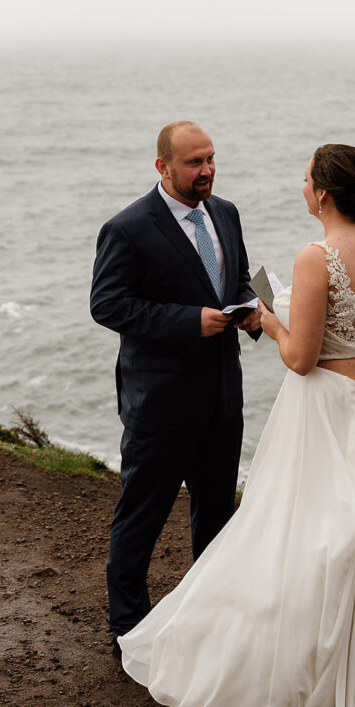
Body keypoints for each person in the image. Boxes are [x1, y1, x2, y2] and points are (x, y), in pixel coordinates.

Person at [118, 143, 355, 707]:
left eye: (304, 181)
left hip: (324, 413)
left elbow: (299, 359)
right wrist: (319, 322)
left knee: (298, 535)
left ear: (322, 193)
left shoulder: (316, 255)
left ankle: (294, 677)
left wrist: (270, 317)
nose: (301, 189)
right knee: (353, 539)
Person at [90, 121, 261, 659]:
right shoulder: (127, 229)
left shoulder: (227, 213)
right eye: (194, 163)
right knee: (140, 520)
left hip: (220, 401)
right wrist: (191, 321)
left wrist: (252, 311)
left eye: (211, 159)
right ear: (162, 167)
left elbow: (234, 283)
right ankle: (127, 633)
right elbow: (108, 305)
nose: (207, 170)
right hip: (159, 407)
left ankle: (209, 623)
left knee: (216, 518)